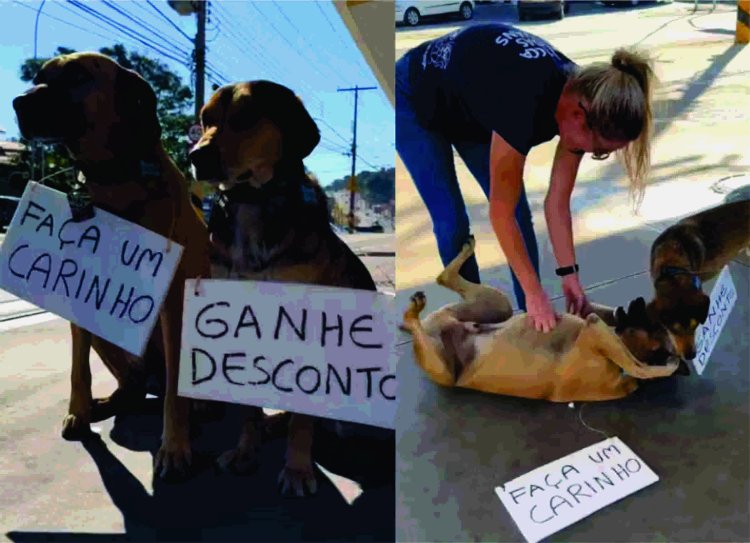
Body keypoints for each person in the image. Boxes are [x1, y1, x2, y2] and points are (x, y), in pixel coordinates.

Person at [396, 23, 655, 332]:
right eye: (599, 150)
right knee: (452, 219)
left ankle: (530, 322)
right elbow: (499, 214)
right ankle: (472, 321)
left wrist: (569, 276)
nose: (594, 155)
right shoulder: (524, 102)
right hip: (415, 96)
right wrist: (536, 293)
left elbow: (557, 202)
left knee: (519, 212)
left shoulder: (584, 95)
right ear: (578, 117)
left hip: (470, 105)